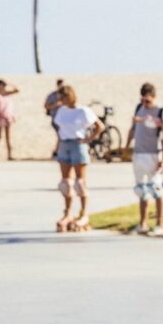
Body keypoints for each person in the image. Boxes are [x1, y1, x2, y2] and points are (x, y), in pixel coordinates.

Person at [53, 85, 104, 232]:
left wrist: (89, 139)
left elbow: (99, 126)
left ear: (69, 96)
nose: (60, 100)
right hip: (65, 144)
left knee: (80, 183)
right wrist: (58, 145)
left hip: (77, 143)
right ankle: (68, 212)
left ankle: (84, 213)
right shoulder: (61, 111)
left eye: (63, 97)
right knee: (65, 183)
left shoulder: (83, 111)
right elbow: (60, 128)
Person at [125, 83, 163, 236]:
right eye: (143, 100)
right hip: (139, 153)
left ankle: (160, 224)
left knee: (156, 189)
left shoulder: (161, 111)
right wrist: (126, 146)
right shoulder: (139, 108)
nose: (145, 104)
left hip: (153, 153)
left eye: (148, 101)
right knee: (141, 190)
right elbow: (133, 128)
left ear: (154, 97)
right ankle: (142, 223)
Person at [44, 77, 65, 157]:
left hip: (65, 120)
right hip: (56, 119)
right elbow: (46, 106)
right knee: (61, 135)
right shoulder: (52, 95)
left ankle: (57, 151)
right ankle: (57, 152)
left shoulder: (67, 95)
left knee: (62, 135)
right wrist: (55, 105)